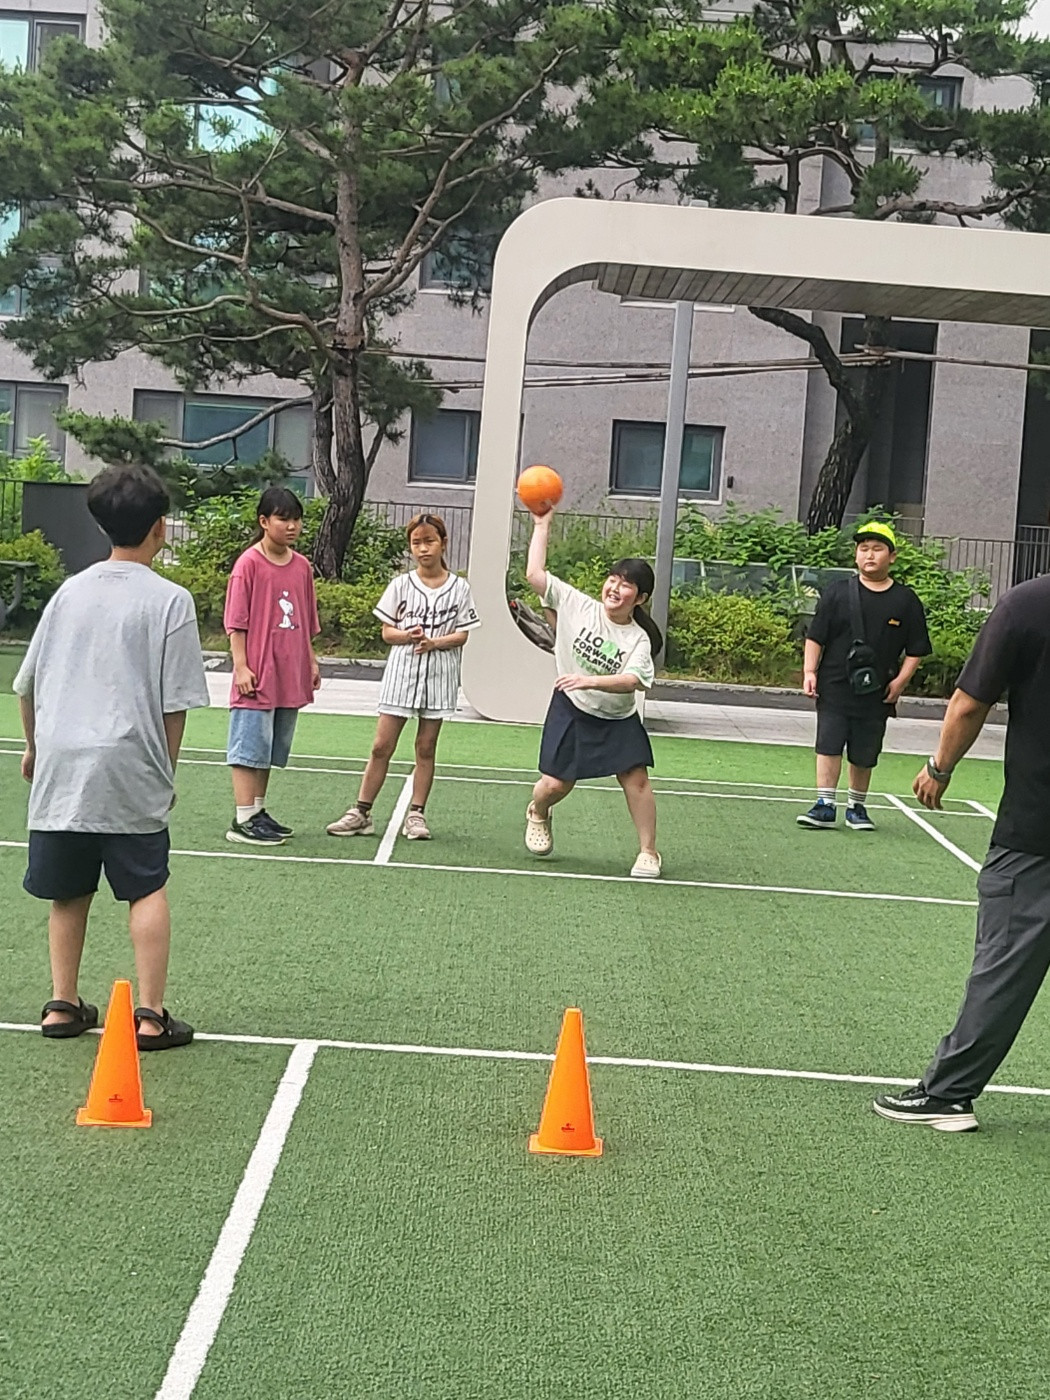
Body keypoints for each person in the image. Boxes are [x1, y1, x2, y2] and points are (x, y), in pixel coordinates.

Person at [14, 464, 209, 1050]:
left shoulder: (68, 592)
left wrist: (34, 748)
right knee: (145, 887)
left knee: (68, 890)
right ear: (160, 527)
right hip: (130, 762)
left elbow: (27, 686)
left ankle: (62, 1004)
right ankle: (149, 1015)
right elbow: (175, 704)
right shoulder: (171, 601)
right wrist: (165, 771)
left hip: (63, 762)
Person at [873, 575, 1050, 1131]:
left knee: (1003, 965)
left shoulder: (1029, 604)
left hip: (1036, 832)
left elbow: (970, 703)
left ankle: (948, 1093)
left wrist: (939, 767)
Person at [523, 506, 662, 879]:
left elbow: (632, 680)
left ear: (640, 598)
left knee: (636, 779)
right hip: (571, 709)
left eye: (625, 584)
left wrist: (589, 680)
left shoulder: (638, 639)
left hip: (617, 718)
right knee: (555, 785)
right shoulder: (577, 605)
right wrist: (542, 524)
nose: (614, 588)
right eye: (612, 579)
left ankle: (649, 852)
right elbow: (534, 574)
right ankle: (538, 811)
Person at [326, 512, 480, 842]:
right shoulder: (400, 585)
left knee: (426, 747)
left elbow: (463, 634)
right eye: (416, 543)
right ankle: (361, 812)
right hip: (402, 673)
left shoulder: (459, 588)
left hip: (440, 675)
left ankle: (416, 814)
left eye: (430, 541)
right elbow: (387, 632)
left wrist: (435, 642)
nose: (423, 549)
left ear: (443, 543)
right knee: (381, 745)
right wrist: (408, 635)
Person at [797, 521, 931, 832]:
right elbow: (816, 637)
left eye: (877, 549)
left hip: (878, 689)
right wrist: (809, 672)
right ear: (856, 555)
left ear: (892, 556)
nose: (869, 555)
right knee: (829, 742)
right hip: (834, 684)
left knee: (865, 749)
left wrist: (900, 683)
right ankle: (824, 804)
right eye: (863, 548)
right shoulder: (837, 593)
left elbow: (917, 649)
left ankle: (857, 806)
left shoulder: (906, 600)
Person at [224, 486, 321, 847]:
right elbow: (236, 622)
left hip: (288, 671)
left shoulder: (302, 567)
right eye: (283, 519)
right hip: (258, 671)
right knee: (248, 744)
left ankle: (258, 810)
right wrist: (241, 666)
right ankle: (243, 818)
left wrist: (311, 661)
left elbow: (306, 621)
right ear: (264, 522)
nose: (292, 526)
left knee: (269, 746)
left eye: (296, 519)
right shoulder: (248, 564)